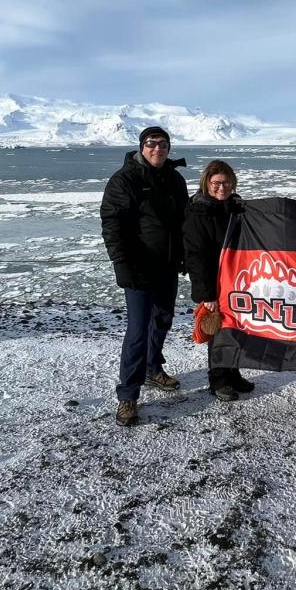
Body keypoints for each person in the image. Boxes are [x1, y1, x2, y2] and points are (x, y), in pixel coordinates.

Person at [100, 126, 189, 427]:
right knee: (137, 330)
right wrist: (122, 265)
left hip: (167, 266)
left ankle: (152, 368)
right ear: (142, 147)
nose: (158, 149)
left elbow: (184, 222)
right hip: (138, 268)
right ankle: (128, 395)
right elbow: (112, 225)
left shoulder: (175, 179)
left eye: (163, 144)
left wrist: (185, 255)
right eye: (152, 144)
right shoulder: (124, 180)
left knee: (163, 319)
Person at [182, 159, 254, 402]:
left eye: (226, 182)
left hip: (237, 280)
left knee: (235, 329)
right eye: (216, 183)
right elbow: (195, 256)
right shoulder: (197, 211)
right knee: (219, 333)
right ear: (207, 183)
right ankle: (218, 379)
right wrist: (206, 294)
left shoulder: (236, 207)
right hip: (214, 283)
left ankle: (233, 373)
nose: (221, 188)